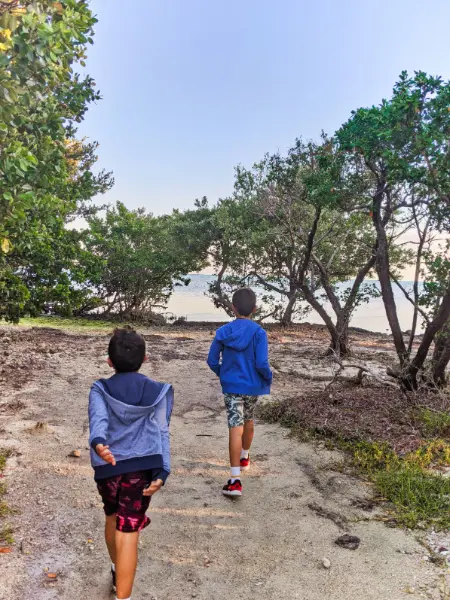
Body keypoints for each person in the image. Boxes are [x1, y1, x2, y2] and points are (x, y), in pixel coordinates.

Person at [88, 328, 173, 600]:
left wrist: (99, 443)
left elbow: (97, 420)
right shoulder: (158, 392)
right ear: (145, 358)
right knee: (129, 531)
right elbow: (162, 431)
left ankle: (116, 570)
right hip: (142, 469)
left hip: (108, 467)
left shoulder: (99, 388)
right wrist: (164, 469)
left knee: (112, 517)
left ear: (109, 361)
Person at [207, 288, 272, 497]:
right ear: (255, 309)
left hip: (232, 387)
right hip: (252, 386)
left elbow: (211, 360)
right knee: (249, 419)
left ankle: (235, 480)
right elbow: (262, 363)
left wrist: (224, 374)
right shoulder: (259, 333)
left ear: (232, 308)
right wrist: (267, 377)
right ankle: (245, 457)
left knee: (235, 427)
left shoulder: (223, 332)